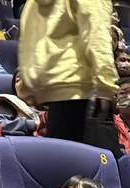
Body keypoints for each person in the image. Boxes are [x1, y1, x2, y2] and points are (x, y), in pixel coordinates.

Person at [19, 0, 118, 145]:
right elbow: (97, 35)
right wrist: (106, 84)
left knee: (61, 153)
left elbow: (29, 36)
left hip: (53, 84)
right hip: (79, 84)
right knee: (83, 156)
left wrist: (30, 84)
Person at [0, 70, 47, 136]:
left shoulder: (51, 104)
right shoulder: (8, 102)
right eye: (18, 80)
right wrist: (33, 124)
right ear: (15, 89)